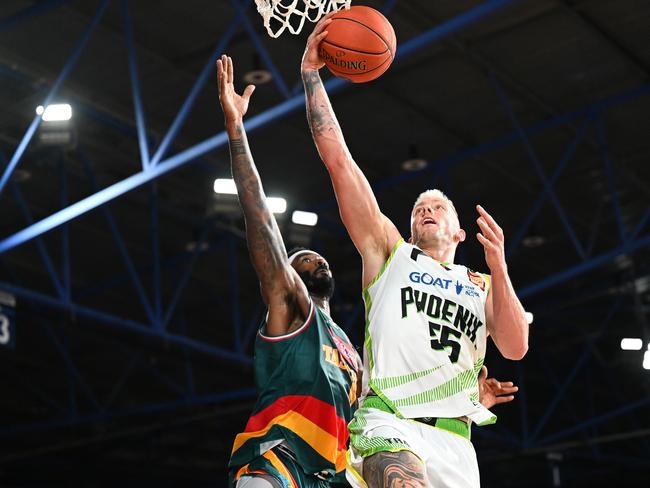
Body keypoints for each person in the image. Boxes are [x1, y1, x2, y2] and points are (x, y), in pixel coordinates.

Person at [301, 17, 529, 488]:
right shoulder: (390, 255)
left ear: (459, 232)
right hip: (389, 425)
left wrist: (500, 266)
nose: (427, 209)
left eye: (439, 207)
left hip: (456, 444)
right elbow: (339, 161)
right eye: (419, 208)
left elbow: (515, 347)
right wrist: (311, 78)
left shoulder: (482, 284)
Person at [218, 54, 362, 488]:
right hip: (278, 460)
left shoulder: (350, 351)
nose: (314, 259)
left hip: (330, 473)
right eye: (301, 260)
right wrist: (235, 129)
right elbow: (259, 216)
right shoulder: (292, 305)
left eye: (318, 257)